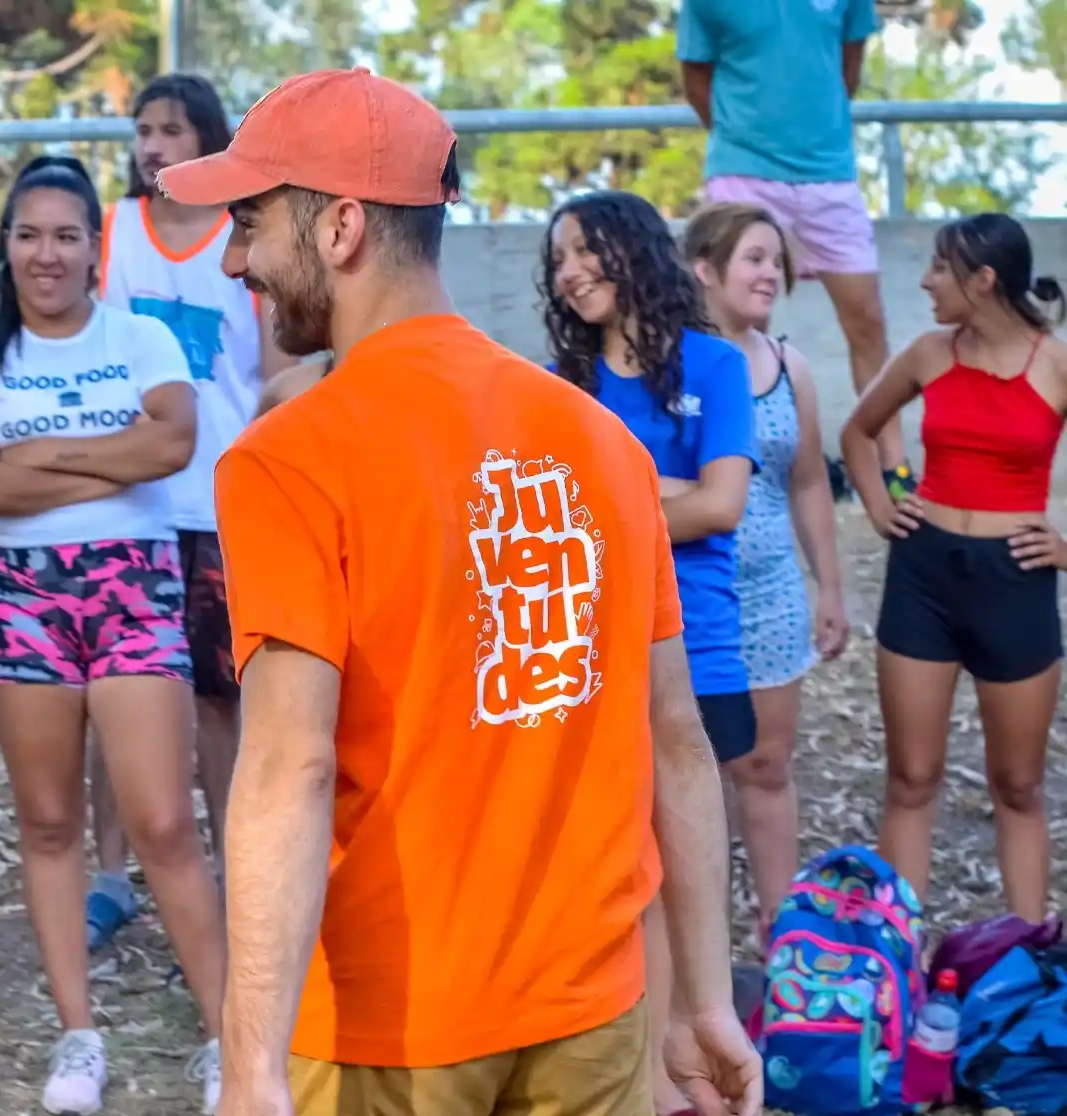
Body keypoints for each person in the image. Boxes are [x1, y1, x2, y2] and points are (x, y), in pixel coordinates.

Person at [156, 66, 762, 1116]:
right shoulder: (601, 444)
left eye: (251, 220)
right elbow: (675, 738)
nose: (234, 256)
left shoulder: (287, 460)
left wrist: (250, 1071)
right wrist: (703, 1000)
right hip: (594, 1014)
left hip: (392, 1030)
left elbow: (287, 772)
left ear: (341, 227)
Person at [0, 154, 227, 1116]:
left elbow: (172, 446)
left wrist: (44, 454)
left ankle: (232, 1037)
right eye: (28, 234)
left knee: (165, 823)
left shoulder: (141, 340)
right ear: (6, 246)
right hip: (19, 595)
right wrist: (112, 464)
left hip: (132, 585)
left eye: (65, 234)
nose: (46, 254)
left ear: (94, 249)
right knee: (51, 821)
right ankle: (78, 1035)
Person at [540, 188, 759, 1116]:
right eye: (557, 260)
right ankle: (657, 1086)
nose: (571, 270)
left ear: (635, 252)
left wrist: (617, 501)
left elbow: (722, 505)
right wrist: (657, 490)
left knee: (683, 876)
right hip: (588, 658)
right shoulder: (562, 388)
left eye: (585, 249)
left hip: (694, 654)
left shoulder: (717, 363)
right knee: (619, 877)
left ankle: (694, 1079)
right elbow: (551, 524)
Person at [86, 72, 291, 971]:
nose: (153, 145)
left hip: (219, 504)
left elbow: (280, 376)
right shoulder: (111, 234)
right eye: (142, 129)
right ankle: (108, 874)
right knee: (111, 698)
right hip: (125, 503)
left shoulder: (242, 244)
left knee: (220, 699)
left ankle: (227, 873)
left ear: (208, 141)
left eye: (171, 129)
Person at [841, 212, 1067, 923]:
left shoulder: (1054, 362)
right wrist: (883, 507)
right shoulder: (928, 352)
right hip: (924, 575)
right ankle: (897, 963)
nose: (926, 281)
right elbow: (857, 432)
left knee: (1019, 785)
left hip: (1016, 583)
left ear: (983, 279)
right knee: (910, 779)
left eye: (939, 268)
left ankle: (1025, 970)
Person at [684, 202, 850, 947]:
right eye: (754, 259)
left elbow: (810, 481)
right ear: (705, 270)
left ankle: (784, 948)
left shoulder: (791, 367)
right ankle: (699, 951)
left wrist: (830, 588)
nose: (770, 276)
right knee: (695, 778)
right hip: (691, 602)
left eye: (776, 263)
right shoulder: (673, 363)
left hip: (775, 597)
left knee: (768, 767)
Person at [676, 0, 916, 498]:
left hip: (829, 174)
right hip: (743, 170)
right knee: (735, 327)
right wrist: (745, 138)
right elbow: (696, 78)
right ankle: (740, 462)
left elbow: (848, 71)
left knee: (868, 321)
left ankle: (895, 472)